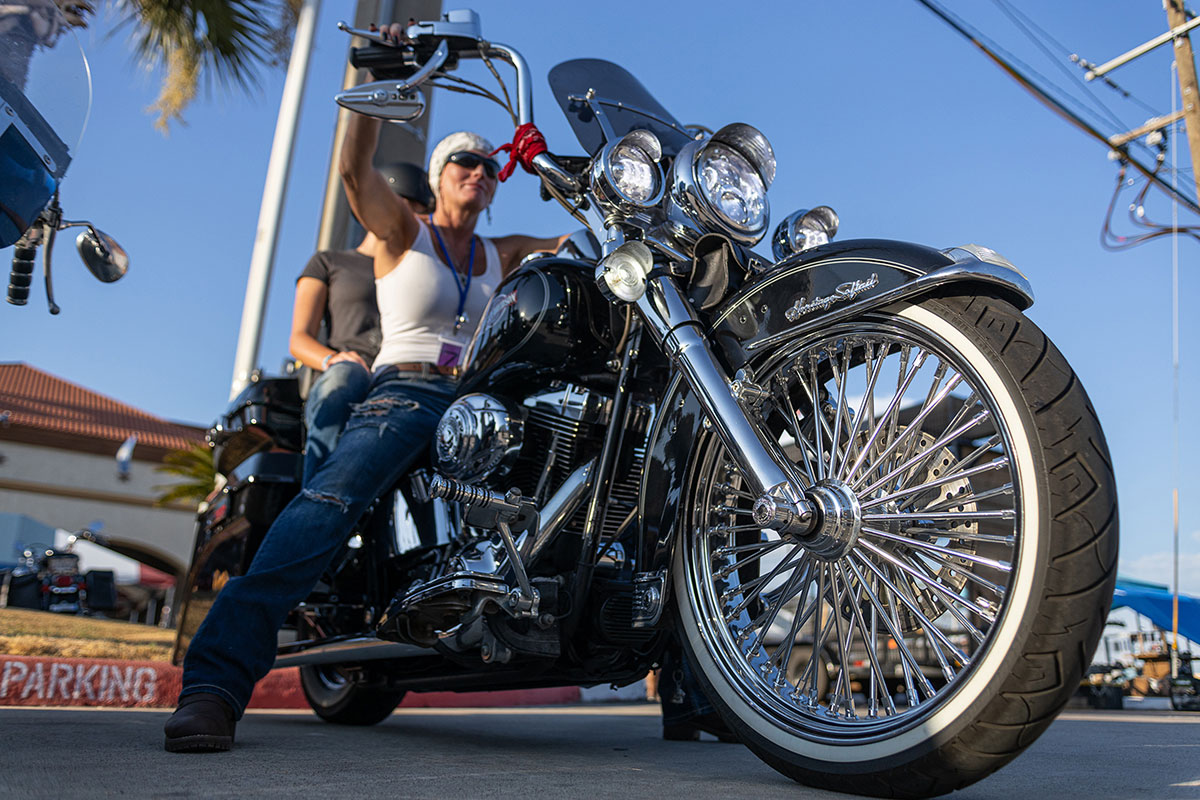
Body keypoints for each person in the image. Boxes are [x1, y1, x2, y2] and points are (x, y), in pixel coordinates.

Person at [162, 98, 567, 751]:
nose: (479, 172)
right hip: (405, 389)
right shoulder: (404, 235)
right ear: (437, 177)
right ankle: (214, 686)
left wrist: (566, 171)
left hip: (484, 396)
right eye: (464, 160)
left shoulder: (503, 249)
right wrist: (376, 95)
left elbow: (571, 243)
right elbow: (356, 174)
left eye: (491, 167)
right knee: (331, 498)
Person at [291, 163, 435, 486]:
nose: (413, 220)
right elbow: (299, 338)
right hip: (349, 371)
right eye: (404, 208)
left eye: (421, 212)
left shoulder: (426, 271)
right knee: (346, 377)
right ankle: (316, 500)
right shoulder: (329, 262)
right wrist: (333, 359)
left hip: (401, 377)